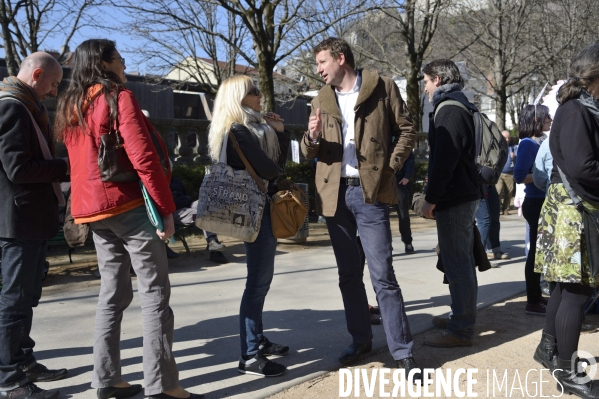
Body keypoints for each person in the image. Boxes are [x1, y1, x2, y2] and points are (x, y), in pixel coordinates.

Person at [55, 39, 202, 399]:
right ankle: (163, 386)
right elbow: (144, 158)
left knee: (112, 294)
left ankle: (106, 380)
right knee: (154, 294)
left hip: (91, 212)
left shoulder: (71, 105)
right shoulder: (118, 97)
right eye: (119, 59)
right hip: (127, 206)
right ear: (104, 64)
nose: (124, 64)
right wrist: (166, 208)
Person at [301, 37, 423, 380]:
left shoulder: (382, 87)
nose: (319, 70)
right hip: (333, 195)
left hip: (369, 193)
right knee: (348, 275)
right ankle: (360, 341)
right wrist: (310, 138)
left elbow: (408, 129)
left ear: (341, 59)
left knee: (383, 275)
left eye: (322, 62)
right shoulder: (320, 100)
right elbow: (309, 151)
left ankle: (403, 352)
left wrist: (392, 166)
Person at [207, 75, 291, 377]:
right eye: (253, 91)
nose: (259, 95)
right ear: (238, 99)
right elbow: (273, 170)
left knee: (261, 282)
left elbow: (280, 167)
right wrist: (279, 134)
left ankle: (257, 340)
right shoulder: (238, 131)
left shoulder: (256, 129)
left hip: (262, 208)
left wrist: (278, 132)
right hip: (254, 212)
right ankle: (250, 355)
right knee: (257, 283)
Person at [0, 52, 68, 399]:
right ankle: (10, 379)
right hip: (18, 222)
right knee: (14, 300)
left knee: (26, 298)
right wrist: (62, 167)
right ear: (36, 75)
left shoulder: (25, 106)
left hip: (30, 221)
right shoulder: (11, 107)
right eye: (54, 83)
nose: (54, 92)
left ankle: (24, 362)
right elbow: (18, 170)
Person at [533, 43, 599, 398]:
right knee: (577, 289)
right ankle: (569, 373)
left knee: (564, 286)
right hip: (574, 210)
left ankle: (549, 348)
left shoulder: (578, 107)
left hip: (570, 207)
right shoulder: (577, 110)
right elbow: (582, 167)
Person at [421, 59, 480, 348]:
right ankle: (461, 317)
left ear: (439, 79)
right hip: (463, 194)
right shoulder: (459, 104)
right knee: (462, 262)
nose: (425, 88)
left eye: (427, 82)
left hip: (455, 197)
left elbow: (444, 161)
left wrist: (431, 198)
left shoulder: (449, 109)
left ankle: (461, 329)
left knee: (458, 264)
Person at [514, 104, 552, 316]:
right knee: (536, 254)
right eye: (547, 116)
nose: (551, 119)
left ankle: (537, 297)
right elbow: (520, 176)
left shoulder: (540, 141)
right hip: (535, 202)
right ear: (536, 120)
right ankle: (533, 301)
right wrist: (546, 179)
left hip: (541, 202)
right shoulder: (528, 144)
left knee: (541, 253)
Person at [168, 176, 228, 264]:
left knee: (206, 204)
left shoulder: (175, 180)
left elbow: (187, 195)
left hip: (187, 205)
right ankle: (213, 243)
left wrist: (186, 200)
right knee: (202, 214)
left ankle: (213, 245)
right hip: (173, 211)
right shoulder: (157, 181)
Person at [475, 184, 510, 260]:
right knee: (484, 221)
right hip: (477, 184)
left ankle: (494, 249)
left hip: (490, 184)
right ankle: (478, 257)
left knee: (494, 218)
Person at [393, 151, 415, 253]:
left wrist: (407, 176)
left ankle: (408, 242)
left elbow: (409, 158)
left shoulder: (400, 138)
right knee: (381, 216)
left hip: (399, 181)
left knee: (403, 215)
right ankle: (386, 245)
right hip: (383, 182)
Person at [496, 131, 517, 215]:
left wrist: (514, 157)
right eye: (505, 137)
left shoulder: (513, 147)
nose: (507, 139)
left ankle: (505, 209)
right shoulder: (497, 147)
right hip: (499, 173)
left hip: (510, 173)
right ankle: (498, 208)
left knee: (509, 192)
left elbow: (519, 158)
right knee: (498, 191)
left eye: (508, 137)